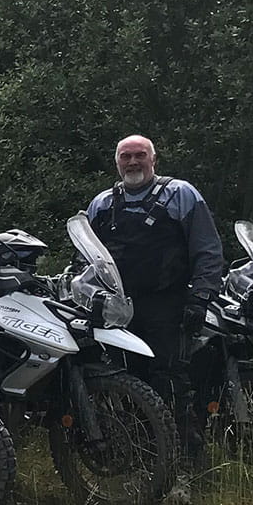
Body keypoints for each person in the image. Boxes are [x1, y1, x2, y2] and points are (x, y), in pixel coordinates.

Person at [84, 134, 225, 466]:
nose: (133, 162)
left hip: (168, 306)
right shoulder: (102, 204)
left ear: (154, 159)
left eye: (140, 156)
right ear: (116, 162)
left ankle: (181, 464)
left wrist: (201, 297)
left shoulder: (181, 194)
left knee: (171, 382)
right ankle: (139, 459)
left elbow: (207, 249)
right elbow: (85, 258)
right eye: (126, 157)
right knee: (123, 382)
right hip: (118, 311)